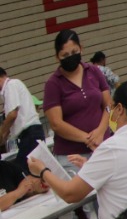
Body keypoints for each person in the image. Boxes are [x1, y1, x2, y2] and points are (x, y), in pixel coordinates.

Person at [28, 80, 127, 219]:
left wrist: (43, 171)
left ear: (119, 109)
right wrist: (90, 167)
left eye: (111, 107)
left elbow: (70, 194)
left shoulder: (112, 148)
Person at [43, 29, 111, 169]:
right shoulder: (53, 84)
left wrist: (100, 130)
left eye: (74, 52)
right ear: (57, 57)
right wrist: (87, 139)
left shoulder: (94, 71)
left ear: (81, 48)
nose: (70, 57)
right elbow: (56, 123)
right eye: (65, 55)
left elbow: (109, 105)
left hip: (103, 147)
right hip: (72, 158)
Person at [0, 68, 44, 170]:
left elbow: (12, 115)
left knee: (21, 171)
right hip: (27, 136)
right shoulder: (8, 92)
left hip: (31, 133)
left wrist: (1, 133)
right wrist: (4, 137)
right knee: (31, 171)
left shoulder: (11, 85)